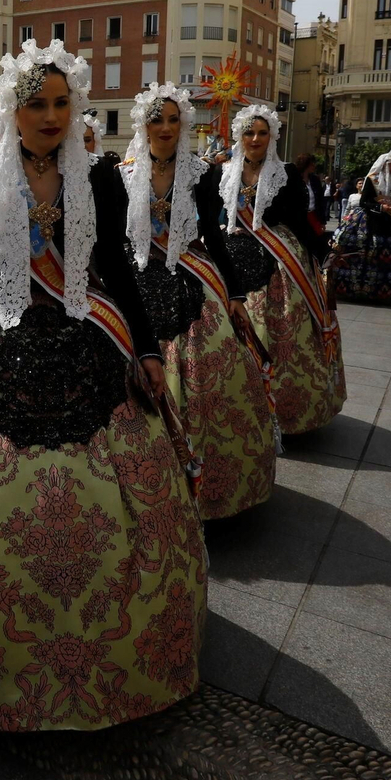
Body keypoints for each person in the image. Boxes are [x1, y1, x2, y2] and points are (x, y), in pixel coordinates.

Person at [0, 39, 205, 731]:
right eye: (35, 103)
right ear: (12, 108)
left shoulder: (98, 174)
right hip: (0, 332)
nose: (49, 115)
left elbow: (115, 266)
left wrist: (146, 344)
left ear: (76, 107)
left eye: (60, 102)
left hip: (83, 330)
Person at [120, 82, 278, 519]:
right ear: (143, 124)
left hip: (190, 280)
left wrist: (235, 293)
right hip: (135, 282)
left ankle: (208, 488)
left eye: (174, 119)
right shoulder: (122, 174)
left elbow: (214, 235)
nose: (166, 127)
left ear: (184, 123)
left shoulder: (202, 173)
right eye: (157, 119)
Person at [221, 105, 345, 433]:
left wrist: (322, 251)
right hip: (234, 256)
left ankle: (284, 412)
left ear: (273, 136)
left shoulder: (286, 173)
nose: (256, 138)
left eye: (262, 132)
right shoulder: (226, 171)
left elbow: (300, 222)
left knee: (280, 333)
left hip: (279, 262)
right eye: (249, 132)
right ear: (240, 136)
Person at [330, 151, 391, 302]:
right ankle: (358, 288)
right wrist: (380, 207)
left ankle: (384, 290)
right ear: (387, 164)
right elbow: (364, 202)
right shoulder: (372, 179)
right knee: (365, 248)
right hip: (369, 220)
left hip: (388, 221)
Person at [294, 153, 326, 234]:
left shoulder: (315, 180)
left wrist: (322, 221)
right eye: (312, 164)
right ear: (305, 165)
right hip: (298, 218)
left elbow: (320, 201)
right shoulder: (295, 179)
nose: (314, 166)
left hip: (313, 216)